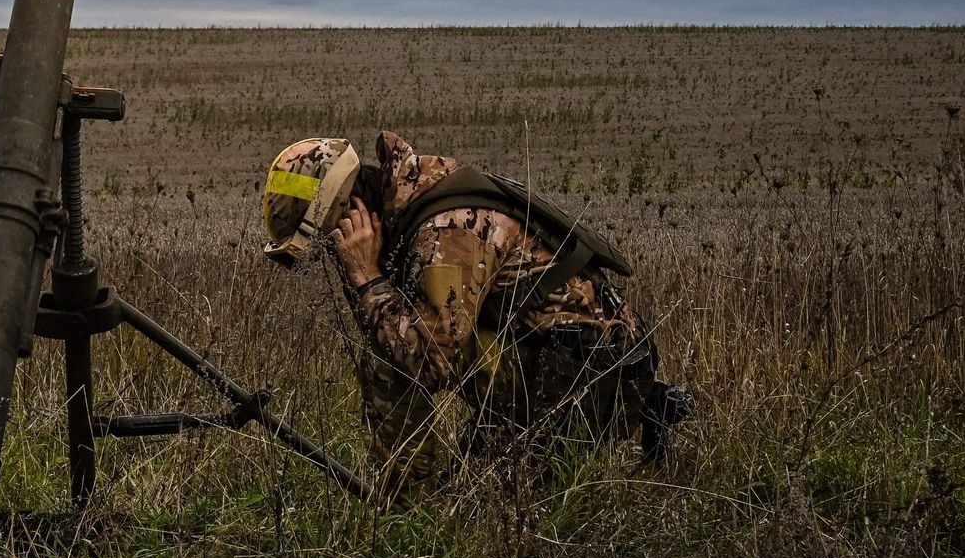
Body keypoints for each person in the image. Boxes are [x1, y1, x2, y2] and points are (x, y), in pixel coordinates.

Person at [262, 131, 689, 499]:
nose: (330, 258)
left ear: (350, 214)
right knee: (463, 490)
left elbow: (427, 363)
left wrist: (367, 279)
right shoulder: (410, 208)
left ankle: (402, 509)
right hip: (549, 366)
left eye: (327, 245)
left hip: (590, 382)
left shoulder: (446, 232)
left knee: (396, 365)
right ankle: (421, 500)